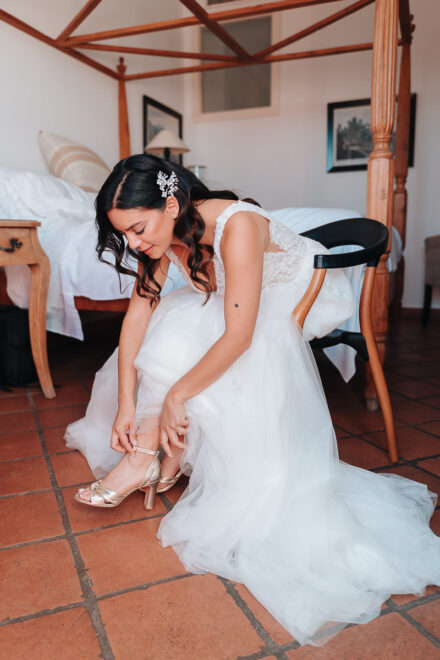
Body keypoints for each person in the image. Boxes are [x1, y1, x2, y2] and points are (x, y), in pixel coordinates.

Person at [65, 154, 440, 646]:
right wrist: (126, 406)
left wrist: (179, 393)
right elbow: (135, 317)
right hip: (238, 298)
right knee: (169, 325)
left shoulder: (237, 224)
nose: (135, 244)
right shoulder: (164, 233)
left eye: (138, 229)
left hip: (297, 297)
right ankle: (153, 450)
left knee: (191, 338)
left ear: (172, 204)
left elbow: (240, 334)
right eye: (126, 235)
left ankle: (150, 456)